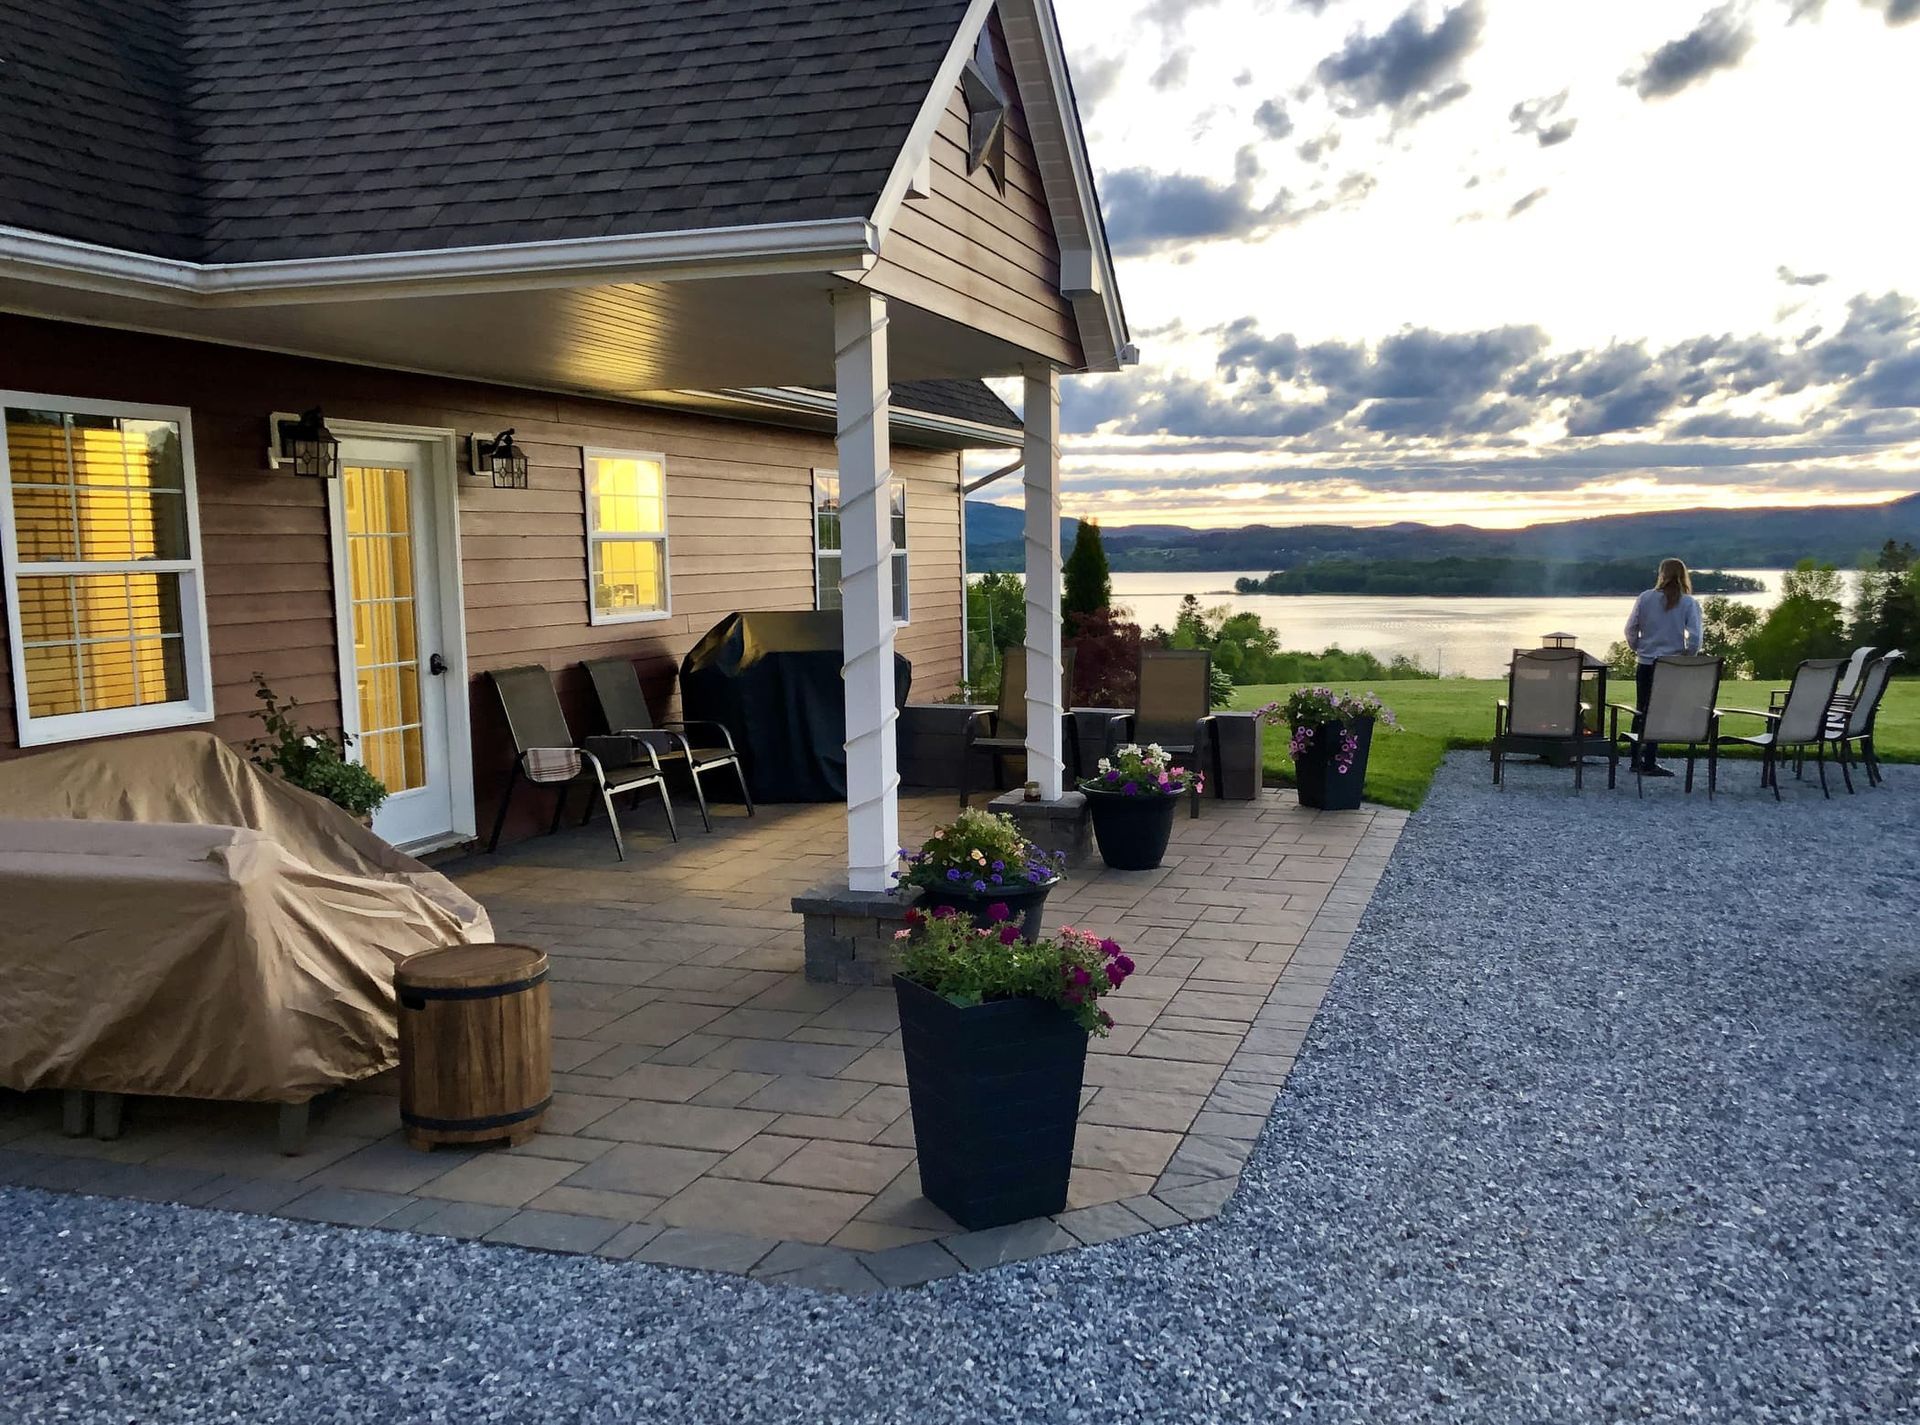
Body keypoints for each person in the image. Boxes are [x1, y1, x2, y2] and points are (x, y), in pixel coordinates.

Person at [1623, 558, 1704, 776]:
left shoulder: (1645, 598)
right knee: (1660, 711)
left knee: (1641, 710)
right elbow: (1695, 638)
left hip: (1646, 664)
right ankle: (1650, 760)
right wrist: (1686, 656)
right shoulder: (1688, 603)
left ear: (1661, 574)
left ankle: (1635, 759)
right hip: (1670, 666)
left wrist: (1638, 647)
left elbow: (1631, 629)